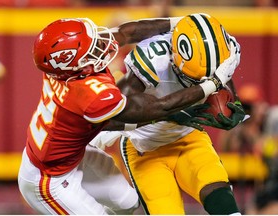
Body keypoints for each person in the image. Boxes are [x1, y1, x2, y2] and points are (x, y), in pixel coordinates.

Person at [18, 16, 238, 215]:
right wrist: (213, 83)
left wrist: (180, 23)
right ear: (73, 66)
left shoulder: (64, 70)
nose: (100, 46)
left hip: (74, 154)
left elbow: (127, 33)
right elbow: (158, 108)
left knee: (129, 202)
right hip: (49, 180)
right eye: (91, 49)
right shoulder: (89, 95)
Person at [100, 13, 245, 215]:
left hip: (188, 136)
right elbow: (114, 116)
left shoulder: (223, 47)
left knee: (225, 207)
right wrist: (170, 112)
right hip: (145, 148)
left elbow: (222, 75)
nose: (198, 83)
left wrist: (233, 100)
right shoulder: (152, 61)